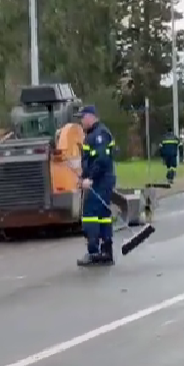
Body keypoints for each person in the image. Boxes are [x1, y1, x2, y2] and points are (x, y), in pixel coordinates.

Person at [75, 105, 117, 266]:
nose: (81, 121)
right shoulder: (93, 135)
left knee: (90, 214)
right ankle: (106, 252)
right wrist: (83, 177)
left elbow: (101, 160)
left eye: (82, 117)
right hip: (100, 180)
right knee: (103, 215)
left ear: (91, 117)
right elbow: (90, 162)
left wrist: (90, 179)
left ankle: (94, 252)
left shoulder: (99, 135)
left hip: (100, 181)